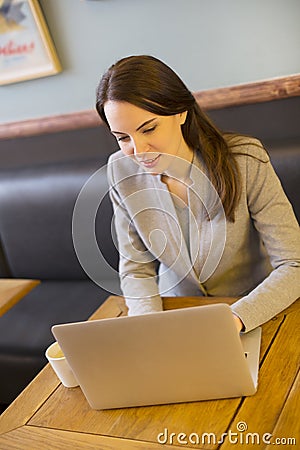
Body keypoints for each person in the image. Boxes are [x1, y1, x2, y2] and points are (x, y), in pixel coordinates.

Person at [95, 55, 300, 333]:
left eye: (149, 128)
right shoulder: (120, 170)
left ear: (181, 112)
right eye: (122, 137)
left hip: (250, 309)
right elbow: (135, 270)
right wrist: (149, 325)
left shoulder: (246, 159)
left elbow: (293, 263)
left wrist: (236, 318)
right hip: (174, 312)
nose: (138, 150)